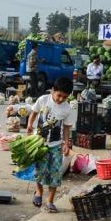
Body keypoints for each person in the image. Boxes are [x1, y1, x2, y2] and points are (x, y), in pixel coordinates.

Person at [26, 77, 74, 213]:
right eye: (59, 95)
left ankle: (50, 201)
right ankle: (39, 192)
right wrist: (30, 125)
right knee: (39, 170)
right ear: (53, 90)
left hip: (56, 145)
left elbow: (66, 128)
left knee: (55, 173)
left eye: (64, 97)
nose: (60, 99)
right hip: (39, 143)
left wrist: (66, 143)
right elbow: (34, 113)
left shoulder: (67, 109)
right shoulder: (43, 100)